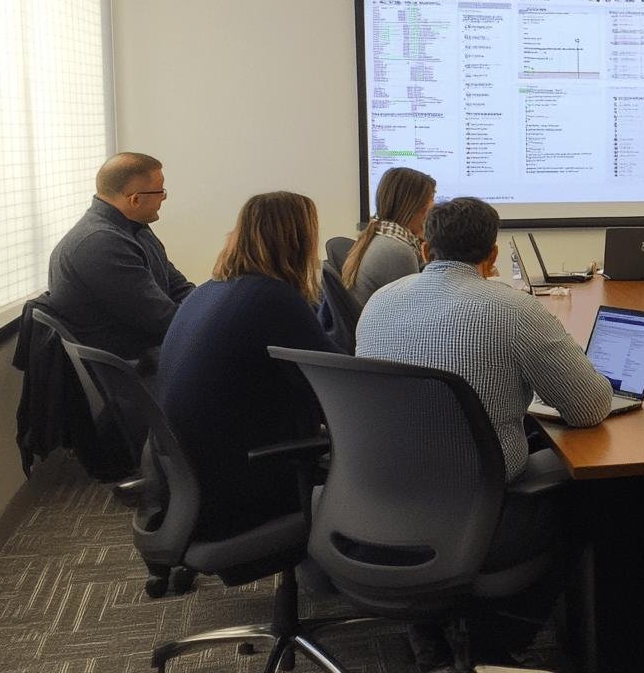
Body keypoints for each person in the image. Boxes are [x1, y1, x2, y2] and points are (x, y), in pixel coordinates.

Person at [356, 196, 611, 673]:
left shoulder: (379, 302)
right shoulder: (512, 309)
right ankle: (496, 642)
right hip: (480, 515)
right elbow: (589, 407)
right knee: (587, 490)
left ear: (426, 248)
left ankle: (429, 629)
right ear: (492, 256)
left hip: (377, 502)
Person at [156, 192, 339, 541]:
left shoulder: (209, 290)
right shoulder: (271, 298)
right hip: (242, 484)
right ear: (298, 240)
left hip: (195, 479)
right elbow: (341, 382)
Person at [46, 152, 194, 360]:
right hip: (134, 366)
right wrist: (206, 320)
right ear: (135, 200)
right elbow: (161, 321)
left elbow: (176, 284)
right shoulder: (101, 244)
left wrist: (204, 306)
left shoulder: (135, 227)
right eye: (161, 191)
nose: (164, 197)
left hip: (149, 350)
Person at [341, 167, 436, 308]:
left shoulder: (379, 235)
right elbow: (415, 311)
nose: (434, 206)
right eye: (432, 199)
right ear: (418, 207)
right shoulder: (397, 251)